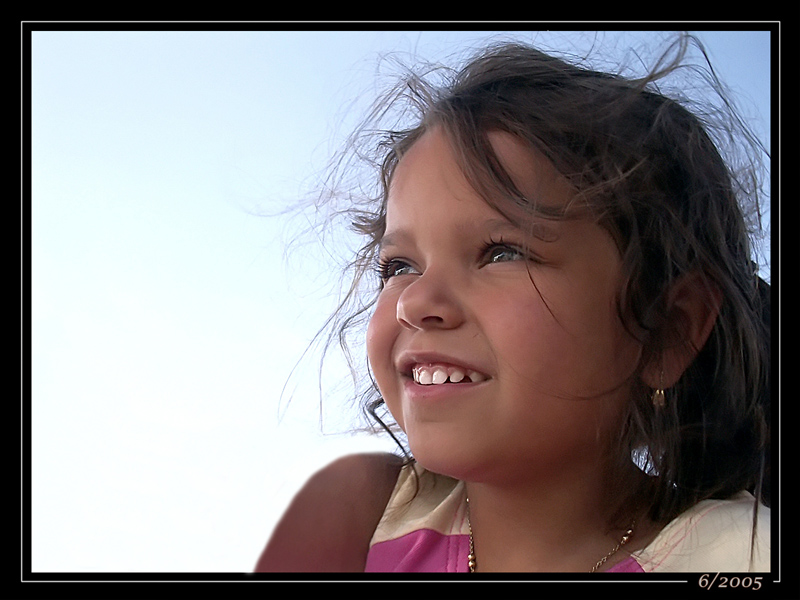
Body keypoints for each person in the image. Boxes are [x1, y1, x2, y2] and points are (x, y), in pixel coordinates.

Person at [255, 33, 770, 573]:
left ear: (667, 330)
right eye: (399, 266)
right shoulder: (359, 516)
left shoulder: (742, 555)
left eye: (501, 252)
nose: (415, 301)